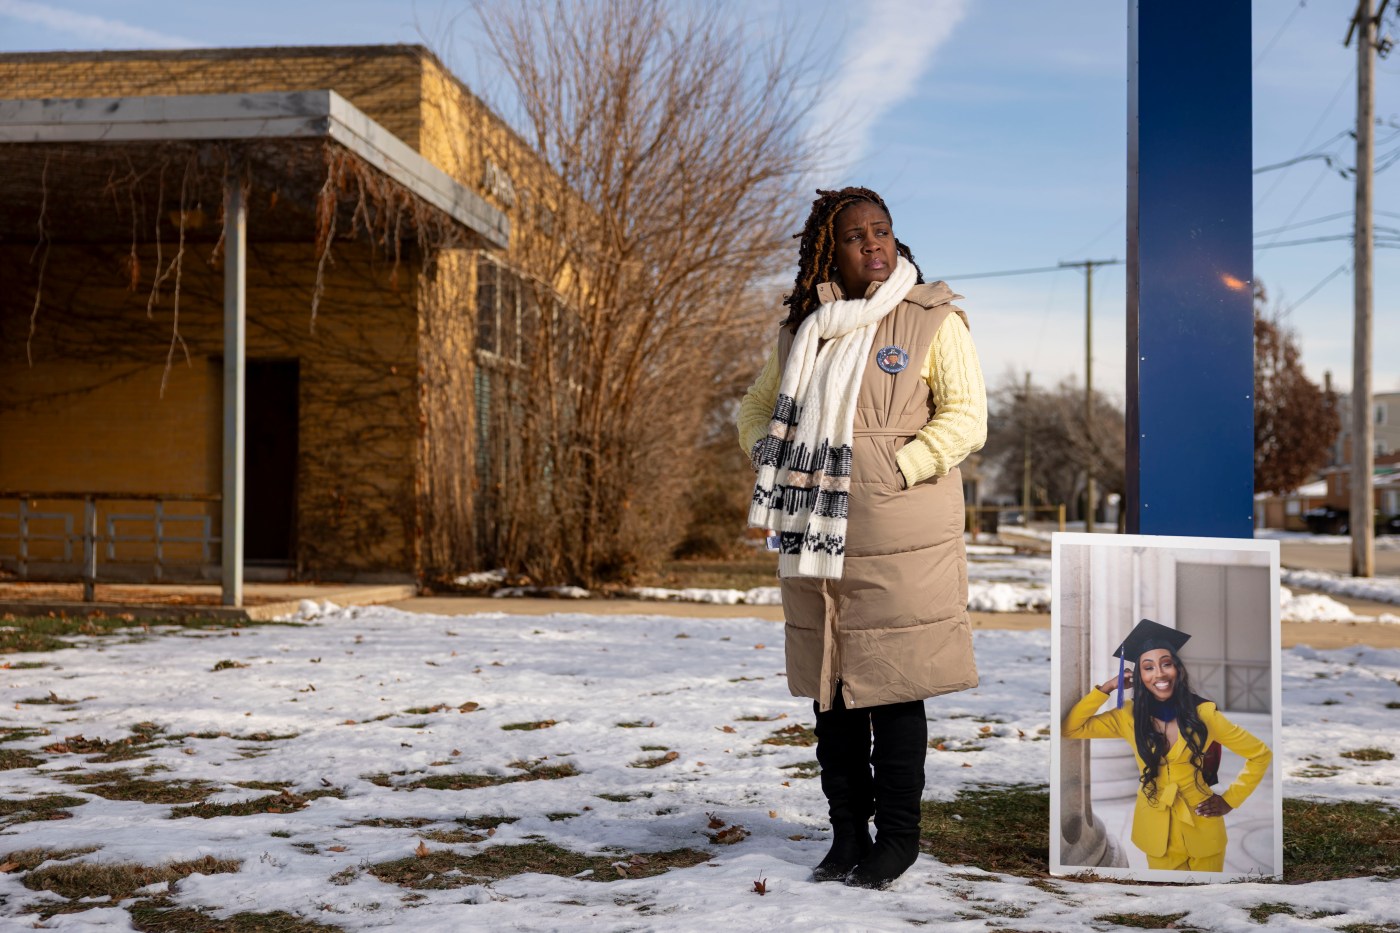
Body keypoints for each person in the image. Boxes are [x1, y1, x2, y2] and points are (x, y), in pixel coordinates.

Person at [737, 187, 987, 889]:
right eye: (856, 236)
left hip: (897, 525)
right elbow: (756, 409)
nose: (873, 243)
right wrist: (775, 457)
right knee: (831, 687)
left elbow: (967, 418)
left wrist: (893, 466)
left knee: (896, 683)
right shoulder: (806, 329)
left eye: (882, 230)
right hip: (815, 525)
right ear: (830, 250)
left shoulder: (933, 320)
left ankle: (898, 837)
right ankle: (847, 832)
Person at [1062, 618, 1273, 873]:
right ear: (1139, 676)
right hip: (1156, 825)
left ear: (1178, 670)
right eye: (1148, 667)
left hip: (1202, 821)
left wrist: (1230, 800)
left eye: (1166, 664)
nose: (1159, 673)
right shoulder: (1128, 717)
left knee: (1208, 898)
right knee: (1168, 898)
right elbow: (1071, 727)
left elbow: (1260, 754)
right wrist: (1106, 688)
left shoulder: (1204, 714)